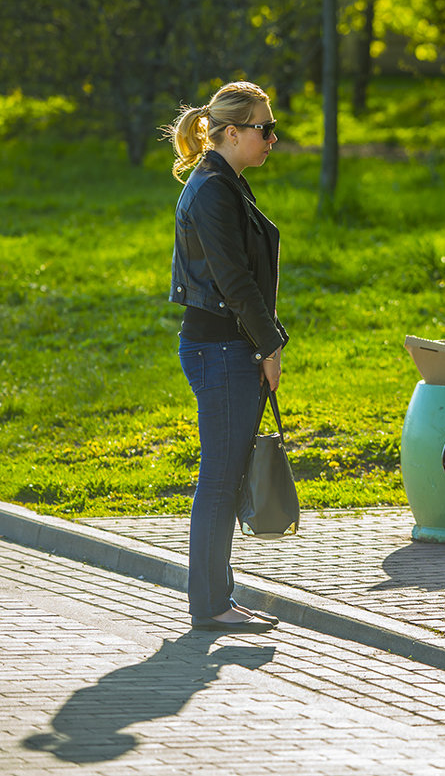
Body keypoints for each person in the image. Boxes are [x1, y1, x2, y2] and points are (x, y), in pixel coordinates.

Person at [163, 81, 287, 633]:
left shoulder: (222, 182)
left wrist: (262, 342)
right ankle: (211, 604)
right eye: (263, 129)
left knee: (224, 473)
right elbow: (235, 281)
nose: (272, 138)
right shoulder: (213, 189)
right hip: (222, 348)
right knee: (219, 476)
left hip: (223, 344)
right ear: (231, 133)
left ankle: (216, 599)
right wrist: (269, 345)